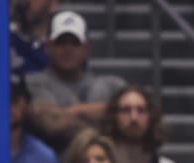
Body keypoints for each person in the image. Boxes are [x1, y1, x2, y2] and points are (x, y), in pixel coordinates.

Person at [27, 10, 123, 149]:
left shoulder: (109, 85)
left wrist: (74, 111)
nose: (68, 49)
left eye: (75, 43)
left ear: (86, 48)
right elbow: (53, 125)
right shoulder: (33, 83)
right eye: (61, 42)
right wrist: (100, 117)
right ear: (48, 47)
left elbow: (127, 119)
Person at [100, 86, 185, 163]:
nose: (133, 118)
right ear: (114, 116)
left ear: (151, 117)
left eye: (141, 110)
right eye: (126, 110)